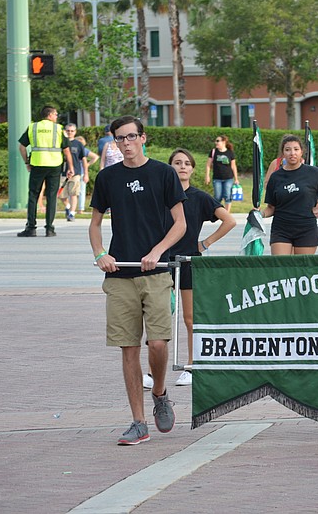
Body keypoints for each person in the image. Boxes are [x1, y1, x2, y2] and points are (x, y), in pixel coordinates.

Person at [89, 115, 187, 445]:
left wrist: (158, 251)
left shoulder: (163, 173)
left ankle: (159, 392)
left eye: (132, 136)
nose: (126, 143)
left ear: (143, 138)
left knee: (158, 343)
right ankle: (138, 422)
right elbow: (95, 224)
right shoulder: (108, 177)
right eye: (120, 138)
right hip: (120, 274)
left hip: (155, 274)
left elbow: (180, 224)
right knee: (128, 348)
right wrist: (100, 253)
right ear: (114, 142)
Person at [166, 148, 235, 386]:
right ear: (170, 167)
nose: (182, 166)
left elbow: (229, 220)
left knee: (190, 318)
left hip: (189, 261)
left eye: (187, 163)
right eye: (177, 163)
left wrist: (205, 243)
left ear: (193, 169)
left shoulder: (199, 197)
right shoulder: (161, 195)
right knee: (160, 317)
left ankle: (191, 366)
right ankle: (154, 372)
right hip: (162, 261)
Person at [261, 135, 318, 255]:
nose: (292, 153)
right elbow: (271, 208)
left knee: (302, 265)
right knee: (280, 264)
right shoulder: (275, 177)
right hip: (281, 229)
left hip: (306, 228)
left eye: (296, 149)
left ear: (302, 152)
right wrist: (260, 214)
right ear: (283, 153)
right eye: (288, 150)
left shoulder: (313, 173)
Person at [17, 106, 75, 237]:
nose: (56, 117)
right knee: (51, 196)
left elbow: (22, 147)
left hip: (37, 165)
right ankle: (49, 229)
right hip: (55, 165)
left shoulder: (33, 127)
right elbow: (66, 150)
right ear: (49, 115)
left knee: (33, 195)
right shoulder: (58, 129)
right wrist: (71, 167)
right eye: (55, 114)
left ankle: (31, 227)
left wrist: (27, 162)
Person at [205, 135, 240, 213]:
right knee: (217, 197)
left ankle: (227, 213)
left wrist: (236, 179)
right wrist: (207, 176)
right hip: (217, 178)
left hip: (228, 178)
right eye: (215, 141)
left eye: (218, 141)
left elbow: (233, 166)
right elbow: (208, 165)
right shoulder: (213, 152)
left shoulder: (230, 152)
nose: (216, 143)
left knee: (227, 196)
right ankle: (217, 212)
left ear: (224, 142)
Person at [60, 123, 88, 222]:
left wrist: (86, 174)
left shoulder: (78, 144)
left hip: (75, 173)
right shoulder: (61, 142)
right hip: (62, 172)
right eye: (68, 131)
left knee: (73, 193)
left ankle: (72, 213)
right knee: (60, 194)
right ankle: (67, 206)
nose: (70, 133)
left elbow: (83, 159)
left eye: (72, 131)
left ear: (75, 132)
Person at [75, 135, 99, 215]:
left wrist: (87, 164)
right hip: (76, 172)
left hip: (81, 172)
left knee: (79, 191)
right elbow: (95, 157)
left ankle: (80, 208)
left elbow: (95, 157)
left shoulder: (83, 150)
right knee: (78, 192)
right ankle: (77, 208)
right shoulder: (83, 150)